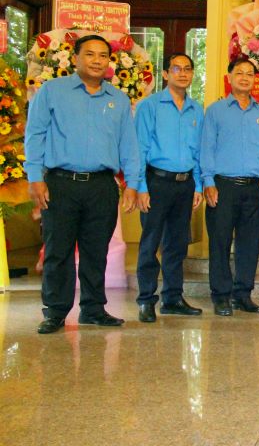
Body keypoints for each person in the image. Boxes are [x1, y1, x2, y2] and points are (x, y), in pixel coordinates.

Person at [25, 34, 140, 334]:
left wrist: (132, 184)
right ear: (76, 57)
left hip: (102, 186)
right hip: (60, 183)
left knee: (95, 250)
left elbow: (129, 145)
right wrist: (35, 177)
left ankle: (93, 309)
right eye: (90, 54)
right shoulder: (52, 91)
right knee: (58, 250)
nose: (97, 60)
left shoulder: (118, 99)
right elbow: (34, 135)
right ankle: (55, 311)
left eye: (103, 55)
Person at [201, 58, 259, 317]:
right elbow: (206, 148)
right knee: (220, 242)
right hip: (223, 186)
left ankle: (243, 294)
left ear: (255, 79)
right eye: (239, 73)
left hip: (254, 187)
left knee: (249, 243)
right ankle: (221, 295)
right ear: (229, 77)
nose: (245, 77)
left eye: (250, 74)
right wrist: (208, 182)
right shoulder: (216, 111)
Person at [134, 53, 204, 323]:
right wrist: (140, 186)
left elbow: (197, 152)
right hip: (156, 182)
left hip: (184, 184)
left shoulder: (196, 109)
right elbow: (139, 148)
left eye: (188, 69)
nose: (183, 73)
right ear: (166, 74)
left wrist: (197, 184)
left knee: (177, 244)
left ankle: (172, 298)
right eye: (177, 68)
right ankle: (146, 299)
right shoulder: (149, 106)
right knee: (150, 242)